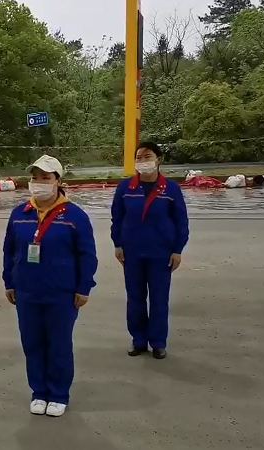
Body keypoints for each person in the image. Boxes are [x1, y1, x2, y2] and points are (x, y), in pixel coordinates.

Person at [2, 155, 98, 418]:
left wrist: (84, 287)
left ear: (58, 181)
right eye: (35, 177)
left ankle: (58, 394)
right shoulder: (20, 214)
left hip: (61, 292)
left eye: (45, 178)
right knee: (32, 343)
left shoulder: (75, 216)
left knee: (58, 343)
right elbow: (9, 250)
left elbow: (87, 255)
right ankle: (39, 391)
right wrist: (9, 281)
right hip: (27, 290)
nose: (39, 182)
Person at [111, 142, 189, 360]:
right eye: (139, 158)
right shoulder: (125, 188)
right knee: (135, 298)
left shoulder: (171, 189)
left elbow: (181, 222)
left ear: (158, 160)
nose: (142, 162)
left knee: (159, 299)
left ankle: (158, 342)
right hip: (132, 252)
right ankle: (138, 340)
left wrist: (177, 250)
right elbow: (117, 218)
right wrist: (117, 244)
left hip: (161, 253)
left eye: (147, 157)